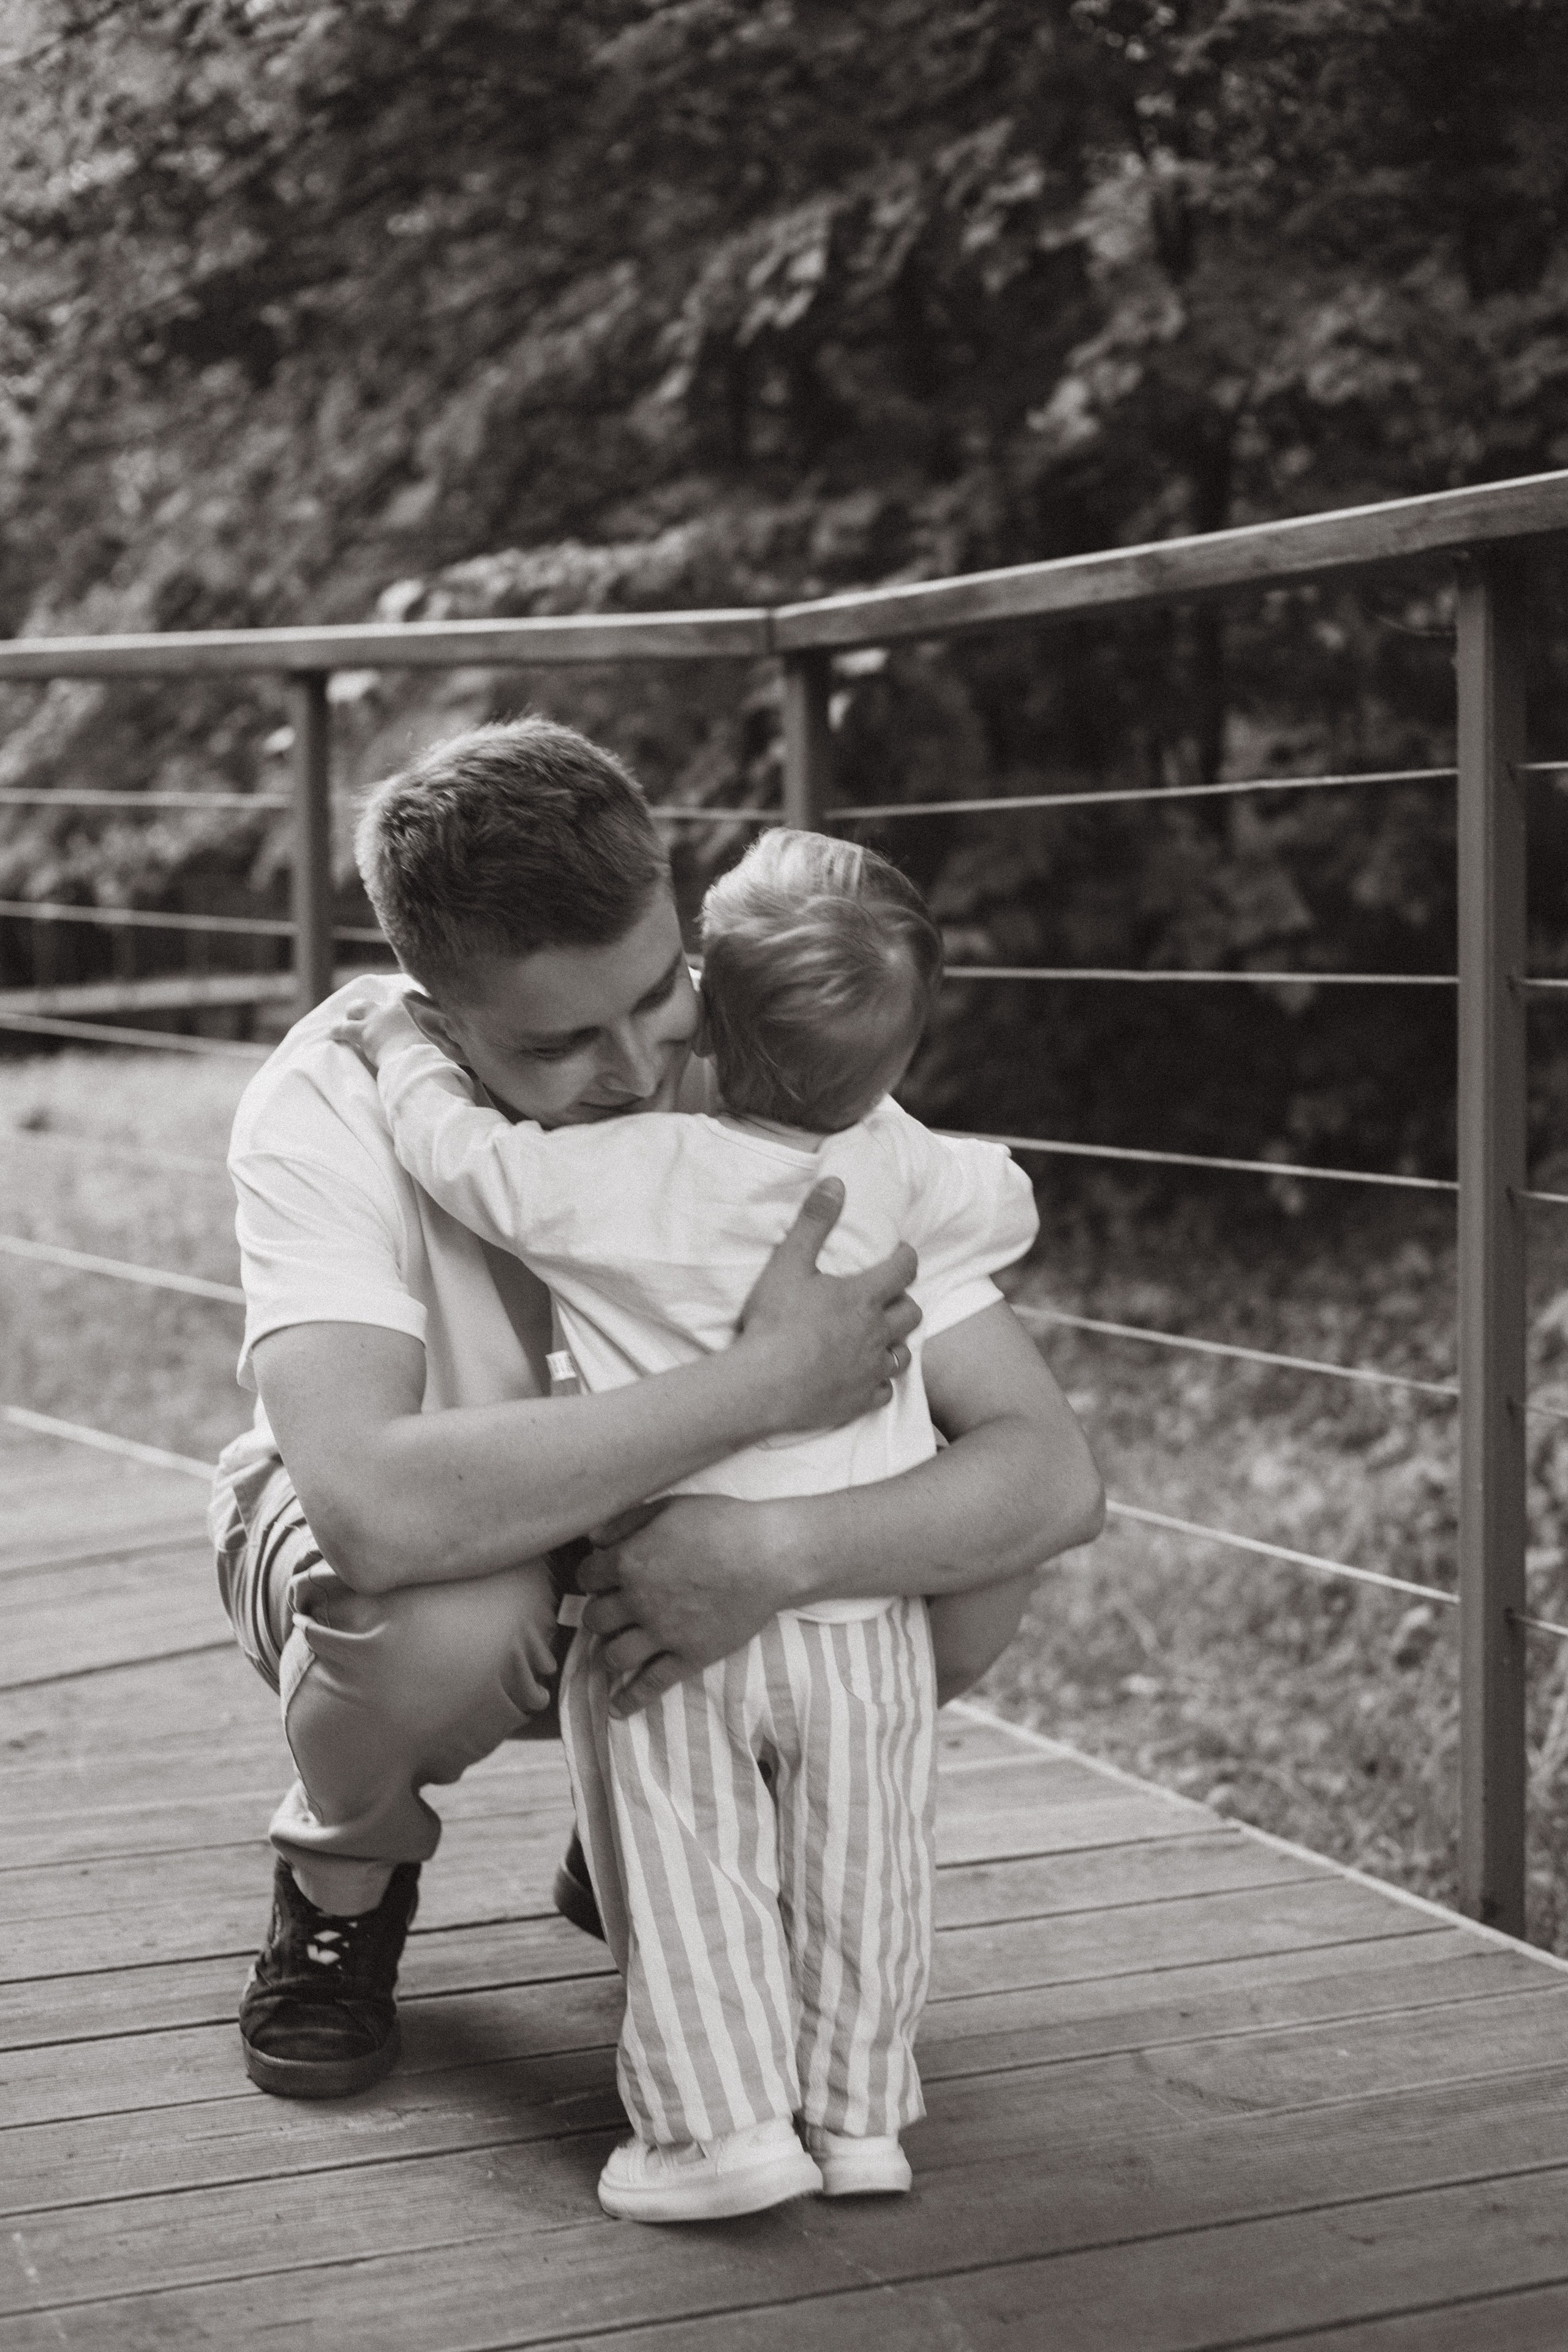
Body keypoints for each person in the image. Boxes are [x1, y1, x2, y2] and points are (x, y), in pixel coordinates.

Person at [209, 717, 1104, 2105]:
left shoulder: (752, 1045)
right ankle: (344, 1876)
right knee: (454, 1618)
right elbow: (372, 1511)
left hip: (674, 1533)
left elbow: (1046, 1477)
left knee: (962, 1572)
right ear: (435, 1013)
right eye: (561, 1041)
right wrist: (761, 1387)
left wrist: (778, 1554)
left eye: (655, 999)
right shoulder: (327, 1105)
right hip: (396, 1539)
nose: (634, 1068)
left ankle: (657, 1808)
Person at [334, 826, 1046, 2220]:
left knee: (683, 1868)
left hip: (668, 1622)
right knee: (866, 1870)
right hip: (862, 1632)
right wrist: (890, 1141)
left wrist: (395, 1047)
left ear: (703, 1003)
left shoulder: (627, 1173)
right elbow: (1003, 1196)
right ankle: (858, 2124)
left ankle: (717, 2134)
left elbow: (463, 1156)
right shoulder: (903, 1171)